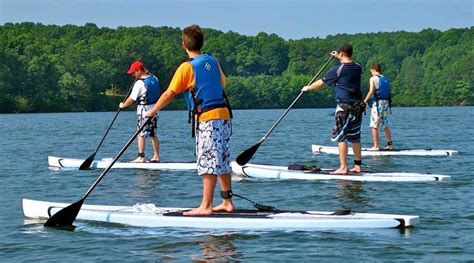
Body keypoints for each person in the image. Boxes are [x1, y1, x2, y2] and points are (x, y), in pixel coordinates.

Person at [148, 24, 234, 216]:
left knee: (208, 161)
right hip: (225, 117)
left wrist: (152, 111)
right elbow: (222, 82)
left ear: (183, 45)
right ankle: (227, 202)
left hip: (208, 118)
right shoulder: (212, 60)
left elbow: (170, 93)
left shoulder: (187, 67)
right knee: (222, 159)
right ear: (201, 43)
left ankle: (206, 206)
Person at [301, 44, 365, 175]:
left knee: (341, 137)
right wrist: (338, 56)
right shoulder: (358, 67)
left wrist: (307, 88)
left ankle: (343, 167)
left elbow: (322, 83)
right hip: (358, 107)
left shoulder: (337, 69)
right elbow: (349, 62)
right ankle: (358, 166)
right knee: (355, 137)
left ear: (341, 53)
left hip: (344, 107)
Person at [119, 61, 161, 163]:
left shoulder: (139, 83)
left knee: (140, 134)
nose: (133, 75)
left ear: (139, 70)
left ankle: (141, 157)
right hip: (155, 110)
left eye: (134, 73)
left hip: (144, 111)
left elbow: (131, 99)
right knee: (152, 134)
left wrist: (122, 105)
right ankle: (156, 156)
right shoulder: (154, 78)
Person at [363, 63, 393, 150]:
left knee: (373, 125)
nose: (370, 71)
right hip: (386, 103)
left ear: (374, 69)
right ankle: (390, 145)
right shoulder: (385, 78)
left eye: (371, 70)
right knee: (385, 124)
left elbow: (371, 91)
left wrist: (364, 101)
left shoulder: (373, 78)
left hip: (378, 103)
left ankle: (376, 146)